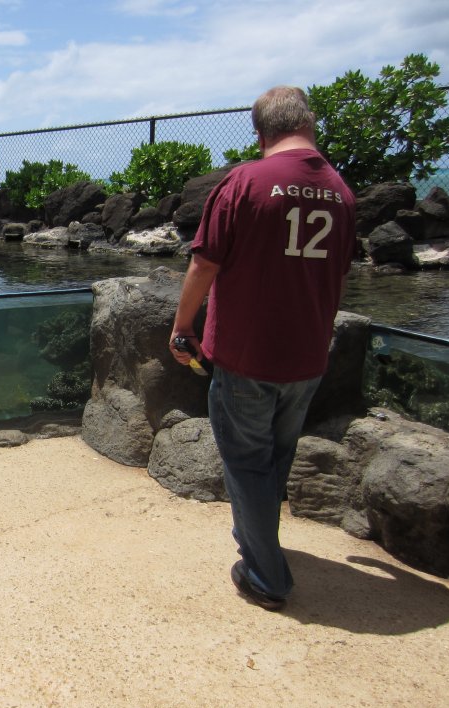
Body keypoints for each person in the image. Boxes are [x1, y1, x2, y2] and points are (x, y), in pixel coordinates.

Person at [169, 85, 357, 611]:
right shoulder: (342, 192)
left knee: (248, 461)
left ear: (260, 131)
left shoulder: (246, 181)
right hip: (308, 358)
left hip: (248, 356)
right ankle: (260, 539)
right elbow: (337, 279)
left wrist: (182, 327)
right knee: (275, 456)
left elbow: (204, 263)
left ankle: (266, 574)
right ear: (310, 124)